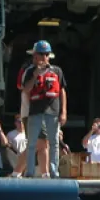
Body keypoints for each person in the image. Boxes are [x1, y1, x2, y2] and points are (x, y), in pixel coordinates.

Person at [21, 40, 67, 178]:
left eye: (45, 54)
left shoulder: (57, 71)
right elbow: (26, 90)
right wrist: (36, 75)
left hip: (52, 111)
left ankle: (54, 171)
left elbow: (62, 91)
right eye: (40, 54)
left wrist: (63, 111)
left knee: (54, 143)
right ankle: (29, 172)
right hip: (35, 112)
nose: (43, 57)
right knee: (32, 143)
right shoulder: (29, 71)